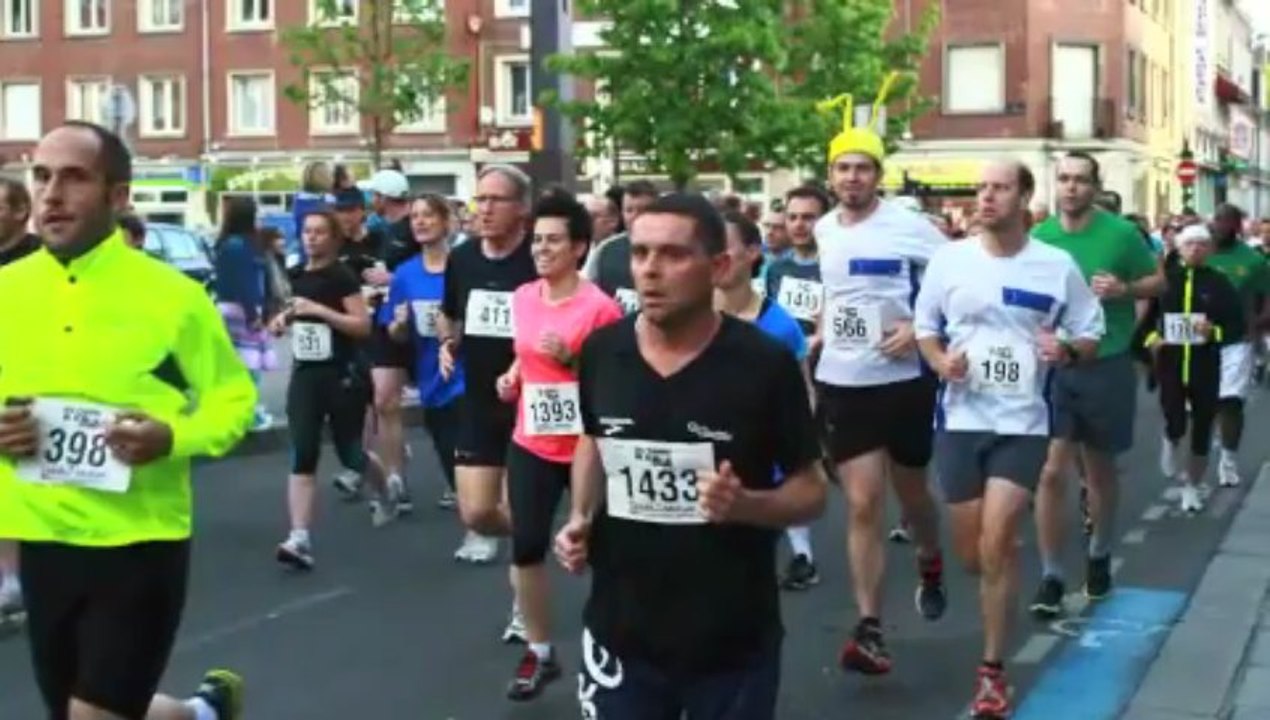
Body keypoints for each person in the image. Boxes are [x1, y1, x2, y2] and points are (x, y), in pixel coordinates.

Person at [0, 122, 254, 719]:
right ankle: (200, 713)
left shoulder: (173, 297)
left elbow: (233, 400)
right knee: (79, 711)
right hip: (43, 539)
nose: (52, 194)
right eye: (41, 176)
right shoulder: (7, 290)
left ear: (118, 197)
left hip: (139, 543)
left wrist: (172, 437)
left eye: (74, 177)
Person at [556, 192, 828, 719]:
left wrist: (746, 504)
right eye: (640, 254)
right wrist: (580, 518)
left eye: (673, 255)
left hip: (729, 638)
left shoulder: (763, 364)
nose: (650, 271)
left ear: (719, 266)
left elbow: (811, 489)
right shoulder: (602, 352)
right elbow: (593, 439)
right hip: (621, 632)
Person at [915, 161, 1103, 720]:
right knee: (973, 553)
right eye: (981, 188)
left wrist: (1065, 351)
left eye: (999, 188)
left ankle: (992, 672)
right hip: (960, 418)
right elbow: (925, 326)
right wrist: (939, 359)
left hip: (1022, 422)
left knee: (998, 542)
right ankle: (993, 565)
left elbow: (1090, 329)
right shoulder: (950, 260)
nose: (986, 197)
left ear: (1024, 197)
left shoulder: (1055, 265)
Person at [815, 113, 949, 676]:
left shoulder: (908, 226)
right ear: (831, 175)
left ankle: (929, 556)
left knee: (912, 493)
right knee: (865, 502)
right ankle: (869, 628)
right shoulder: (824, 229)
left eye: (863, 169)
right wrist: (823, 327)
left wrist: (919, 329)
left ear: (878, 176)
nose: (853, 178)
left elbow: (956, 276)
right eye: (844, 168)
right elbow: (835, 291)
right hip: (845, 381)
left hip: (903, 381)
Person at [495, 194, 621, 700]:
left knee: (608, 550)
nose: (541, 250)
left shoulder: (601, 309)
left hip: (587, 445)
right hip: (532, 439)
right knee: (526, 544)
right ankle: (540, 651)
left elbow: (613, 383)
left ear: (579, 248)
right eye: (538, 240)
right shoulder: (523, 297)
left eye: (553, 241)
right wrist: (511, 377)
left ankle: (614, 644)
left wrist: (571, 360)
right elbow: (523, 356)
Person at [1029, 152, 1164, 618]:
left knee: (1098, 471)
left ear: (1094, 186)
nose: (1070, 188)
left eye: (1080, 180)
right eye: (1063, 179)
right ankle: (1050, 574)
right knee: (1049, 472)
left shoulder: (1121, 234)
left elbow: (1159, 282)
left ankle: (1100, 553)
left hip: (1106, 361)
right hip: (1056, 367)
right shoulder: (1040, 236)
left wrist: (1125, 290)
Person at [270, 211, 392, 570]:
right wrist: (281, 321)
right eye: (307, 232)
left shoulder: (341, 276)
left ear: (333, 237)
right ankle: (299, 538)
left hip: (343, 374)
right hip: (306, 375)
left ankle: (384, 490)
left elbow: (362, 326)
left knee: (351, 454)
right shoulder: (294, 275)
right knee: (303, 452)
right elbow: (281, 316)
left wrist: (321, 311)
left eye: (320, 232)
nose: (311, 238)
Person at [438, 165, 538, 577]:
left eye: (497, 199)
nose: (486, 208)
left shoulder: (536, 257)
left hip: (528, 400)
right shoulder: (462, 259)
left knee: (519, 502)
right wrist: (448, 342)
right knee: (477, 513)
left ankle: (524, 602)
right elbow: (451, 315)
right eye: (481, 199)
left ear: (522, 209)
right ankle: (536, 535)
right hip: (479, 399)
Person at [1138, 224, 1244, 513]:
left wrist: (1214, 333)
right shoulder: (1166, 281)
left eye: (1201, 244)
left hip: (1205, 363)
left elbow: (1236, 325)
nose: (1196, 249)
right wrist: (1152, 340)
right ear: (1179, 248)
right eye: (1190, 244)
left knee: (1202, 426)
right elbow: (1146, 323)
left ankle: (1191, 486)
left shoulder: (1219, 284)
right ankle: (1170, 438)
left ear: (1209, 250)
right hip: (1171, 363)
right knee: (1174, 418)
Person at [762, 185, 833, 589]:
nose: (799, 225)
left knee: (837, 466)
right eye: (793, 217)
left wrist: (818, 339)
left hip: (833, 369)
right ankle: (802, 555)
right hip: (788, 370)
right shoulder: (776, 268)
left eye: (808, 217)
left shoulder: (834, 264)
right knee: (789, 454)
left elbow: (834, 312)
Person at [387, 195, 466, 513]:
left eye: (428, 215)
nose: (419, 222)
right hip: (429, 374)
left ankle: (479, 521)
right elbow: (395, 332)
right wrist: (400, 323)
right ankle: (471, 504)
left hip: (467, 371)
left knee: (469, 447)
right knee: (446, 446)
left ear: (446, 222)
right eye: (414, 216)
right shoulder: (405, 275)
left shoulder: (464, 265)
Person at [351, 172, 419, 512]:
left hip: (421, 324)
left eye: (373, 194)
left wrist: (391, 278)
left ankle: (460, 474)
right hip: (386, 321)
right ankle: (396, 479)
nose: (369, 202)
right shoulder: (382, 232)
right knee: (384, 401)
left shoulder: (412, 228)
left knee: (442, 410)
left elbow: (433, 268)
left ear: (384, 196)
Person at [1205, 204, 1269, 487]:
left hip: (1236, 340)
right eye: (1217, 220)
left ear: (1237, 227)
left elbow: (1267, 296)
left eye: (1226, 222)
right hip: (1199, 341)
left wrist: (1257, 325)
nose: (1220, 226)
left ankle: (1228, 461)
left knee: (1231, 401)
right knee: (1199, 405)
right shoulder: (1198, 253)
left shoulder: (1253, 260)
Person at [0, 177, 39, 623]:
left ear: (19, 211)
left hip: (31, 384)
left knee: (21, 480)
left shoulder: (38, 259)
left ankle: (19, 578)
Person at [214, 197, 278, 431]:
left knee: (236, 364)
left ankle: (241, 410)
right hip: (243, 310)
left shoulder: (226, 244)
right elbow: (247, 284)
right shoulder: (242, 246)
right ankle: (249, 413)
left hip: (227, 309)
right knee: (249, 363)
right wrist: (254, 314)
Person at [584, 180, 659, 314]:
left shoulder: (672, 249)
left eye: (643, 210)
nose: (635, 216)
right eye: (629, 210)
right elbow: (589, 295)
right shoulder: (605, 250)